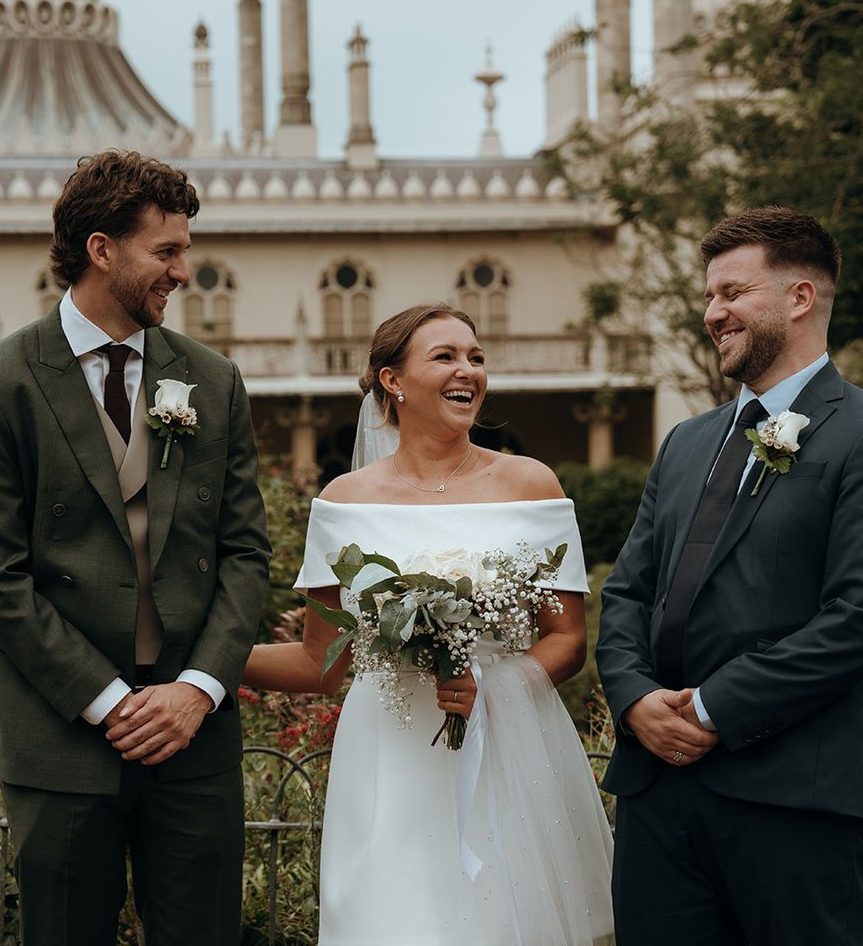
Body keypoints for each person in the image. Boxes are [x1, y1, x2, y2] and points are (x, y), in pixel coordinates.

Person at [0, 150, 270, 946]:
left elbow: (245, 553)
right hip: (61, 739)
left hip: (194, 739)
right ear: (101, 249)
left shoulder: (211, 380)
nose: (184, 271)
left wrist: (196, 690)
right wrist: (109, 700)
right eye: (166, 252)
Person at [244, 304, 615, 946]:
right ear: (393, 380)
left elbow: (567, 640)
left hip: (502, 745)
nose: (467, 370)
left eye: (475, 357)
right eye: (444, 356)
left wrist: (494, 686)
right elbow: (319, 663)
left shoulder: (530, 484)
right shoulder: (342, 502)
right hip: (386, 755)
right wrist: (200, 660)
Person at [597, 207, 863, 945]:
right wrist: (636, 697)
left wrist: (714, 708)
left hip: (791, 802)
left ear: (799, 298)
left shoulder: (857, 434)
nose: (713, 313)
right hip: (656, 800)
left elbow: (855, 618)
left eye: (733, 293)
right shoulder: (686, 441)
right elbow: (626, 593)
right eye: (710, 296)